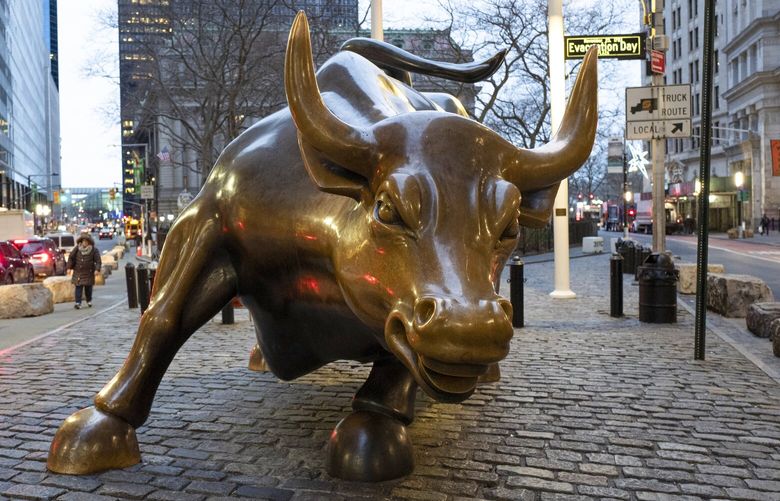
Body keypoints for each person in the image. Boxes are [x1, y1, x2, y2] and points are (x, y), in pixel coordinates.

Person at [67, 233, 102, 309]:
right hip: (78, 272)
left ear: (89, 242)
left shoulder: (94, 250)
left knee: (88, 288)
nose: (84, 243)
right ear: (81, 242)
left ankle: (89, 300)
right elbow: (71, 257)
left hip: (88, 272)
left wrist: (97, 269)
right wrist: (69, 268)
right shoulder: (77, 249)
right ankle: (78, 303)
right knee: (78, 287)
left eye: (86, 241)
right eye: (83, 241)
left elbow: (98, 261)